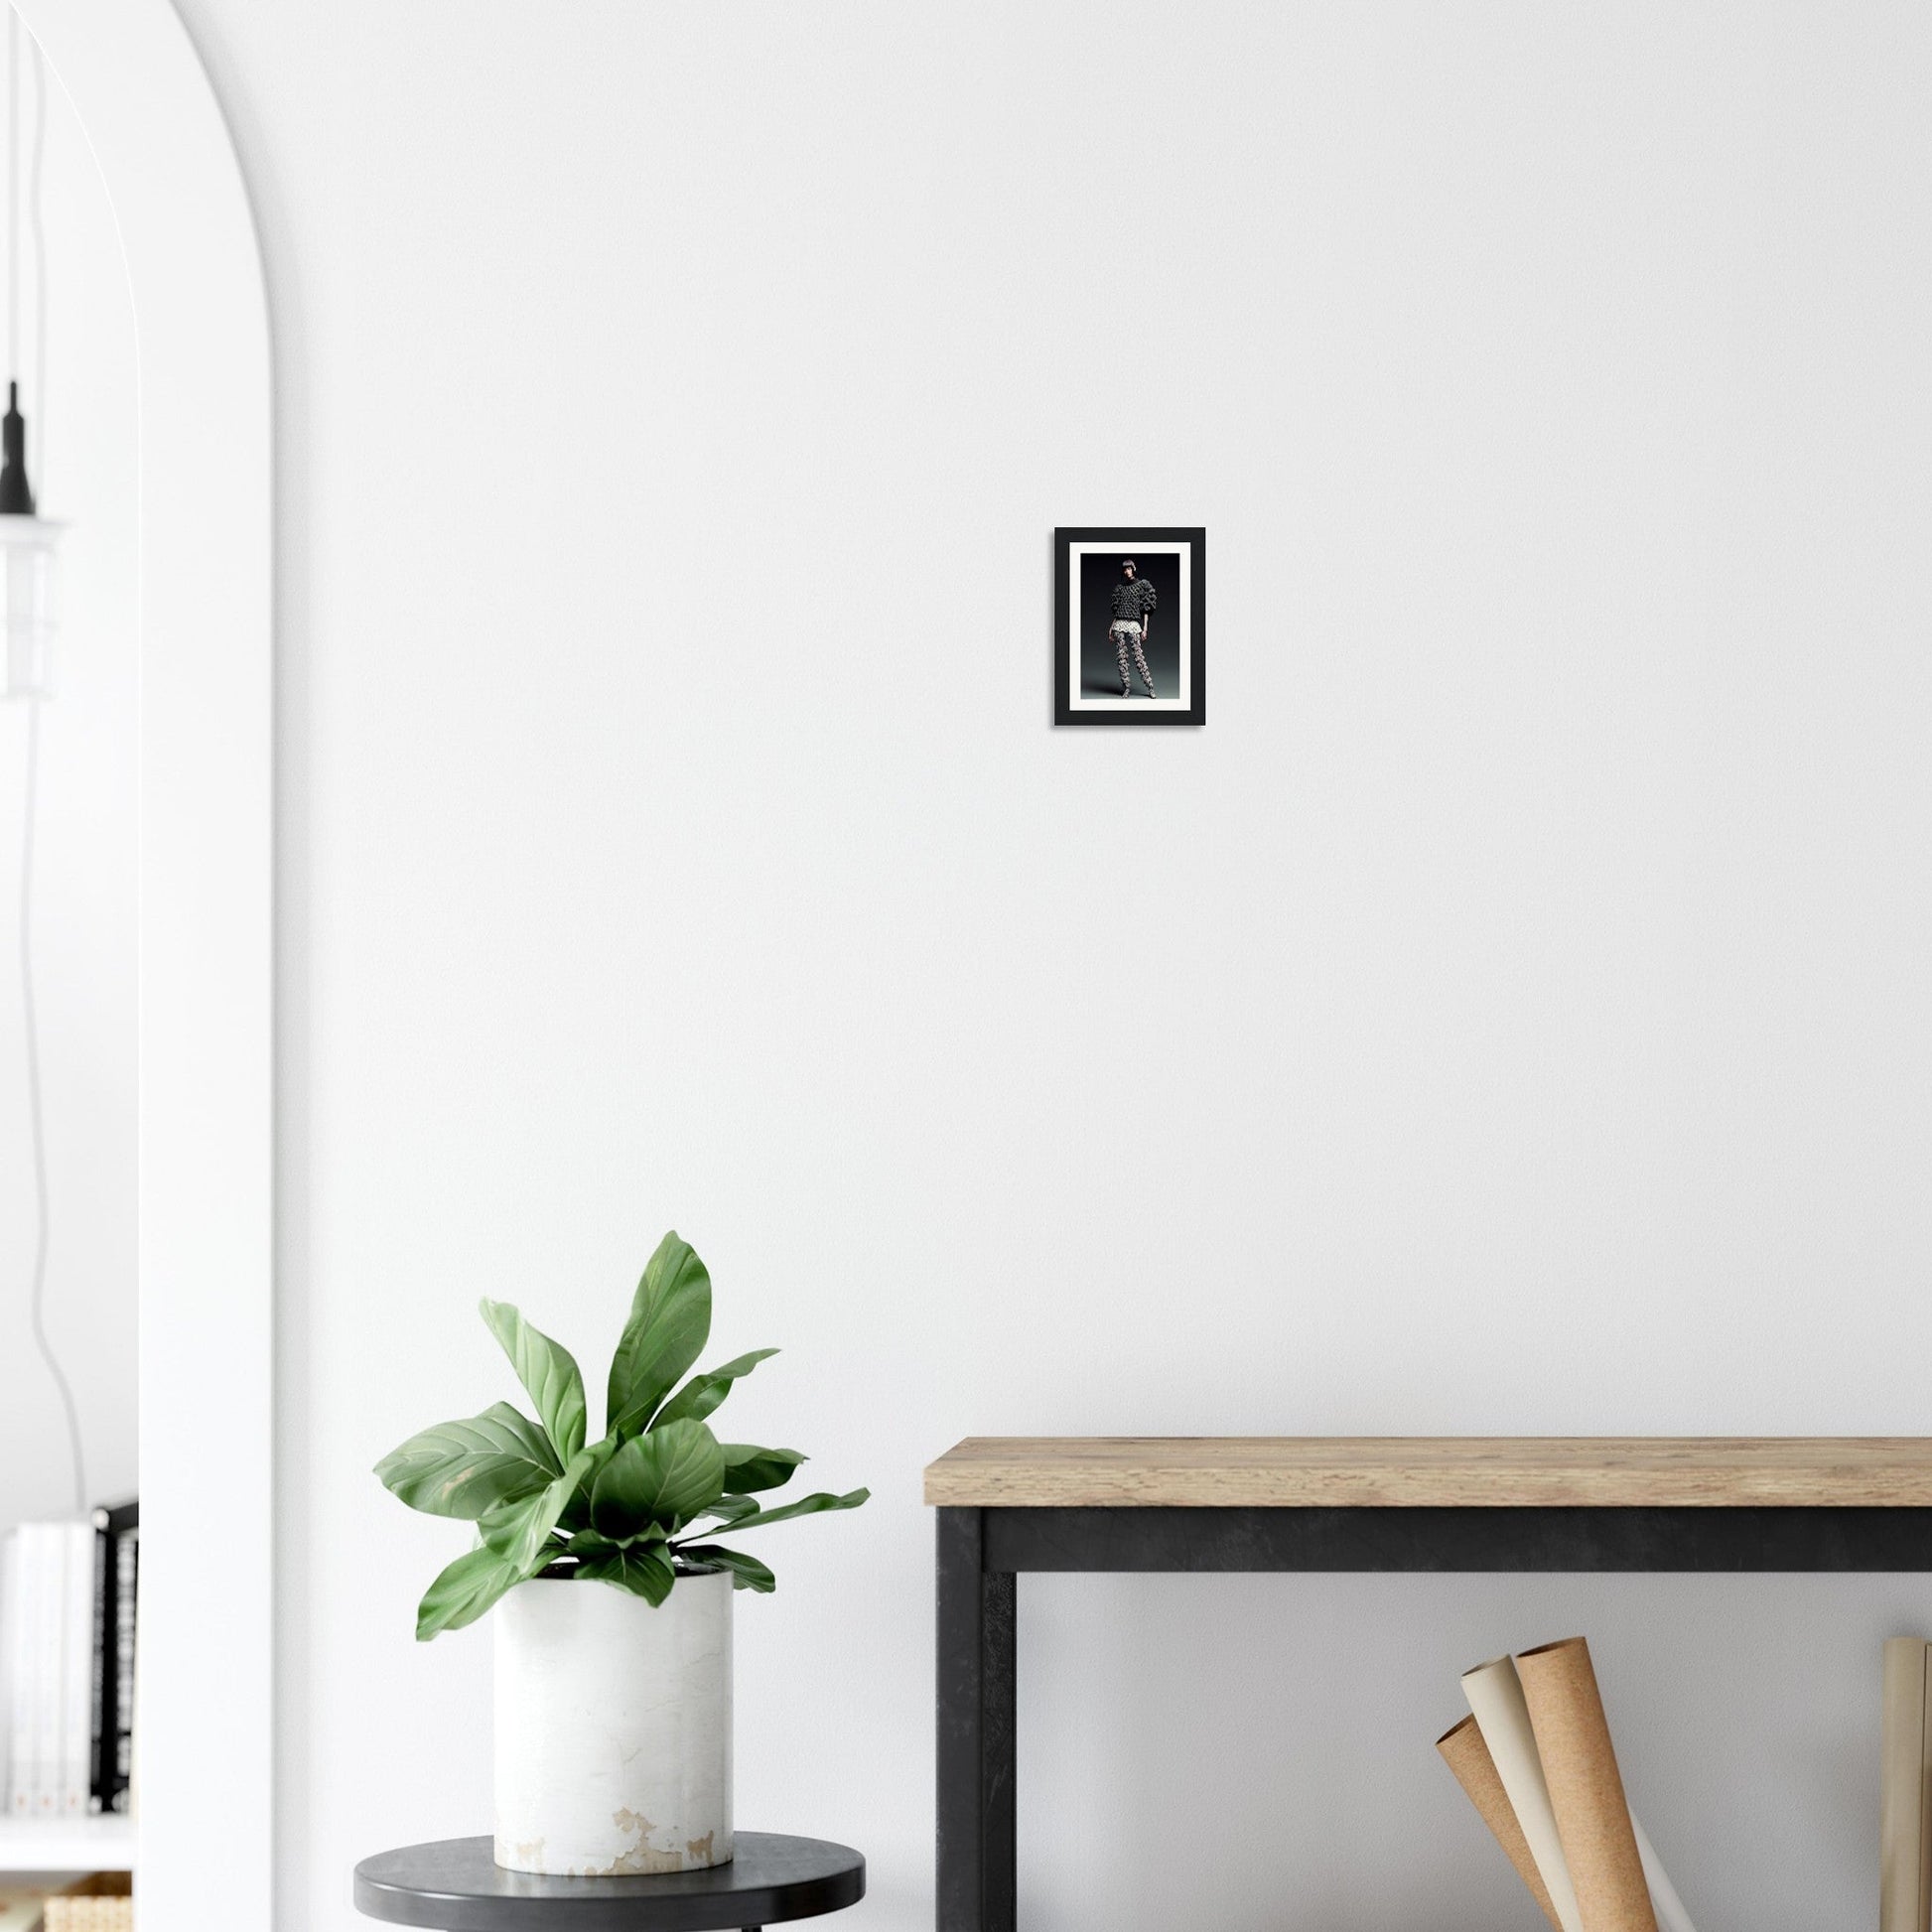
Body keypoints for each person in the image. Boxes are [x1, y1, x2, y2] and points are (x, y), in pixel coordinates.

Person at [1108, 559, 1158, 698]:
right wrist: (1111, 627)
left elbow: (1145, 608)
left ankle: (1150, 686)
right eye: (1125, 569)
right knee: (1121, 656)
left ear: (1134, 568)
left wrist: (1145, 627)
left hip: (1134, 623)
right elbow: (1118, 611)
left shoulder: (1142, 585)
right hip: (1119, 623)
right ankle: (1126, 687)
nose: (1127, 571)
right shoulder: (1120, 588)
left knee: (1138, 655)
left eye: (1129, 568)